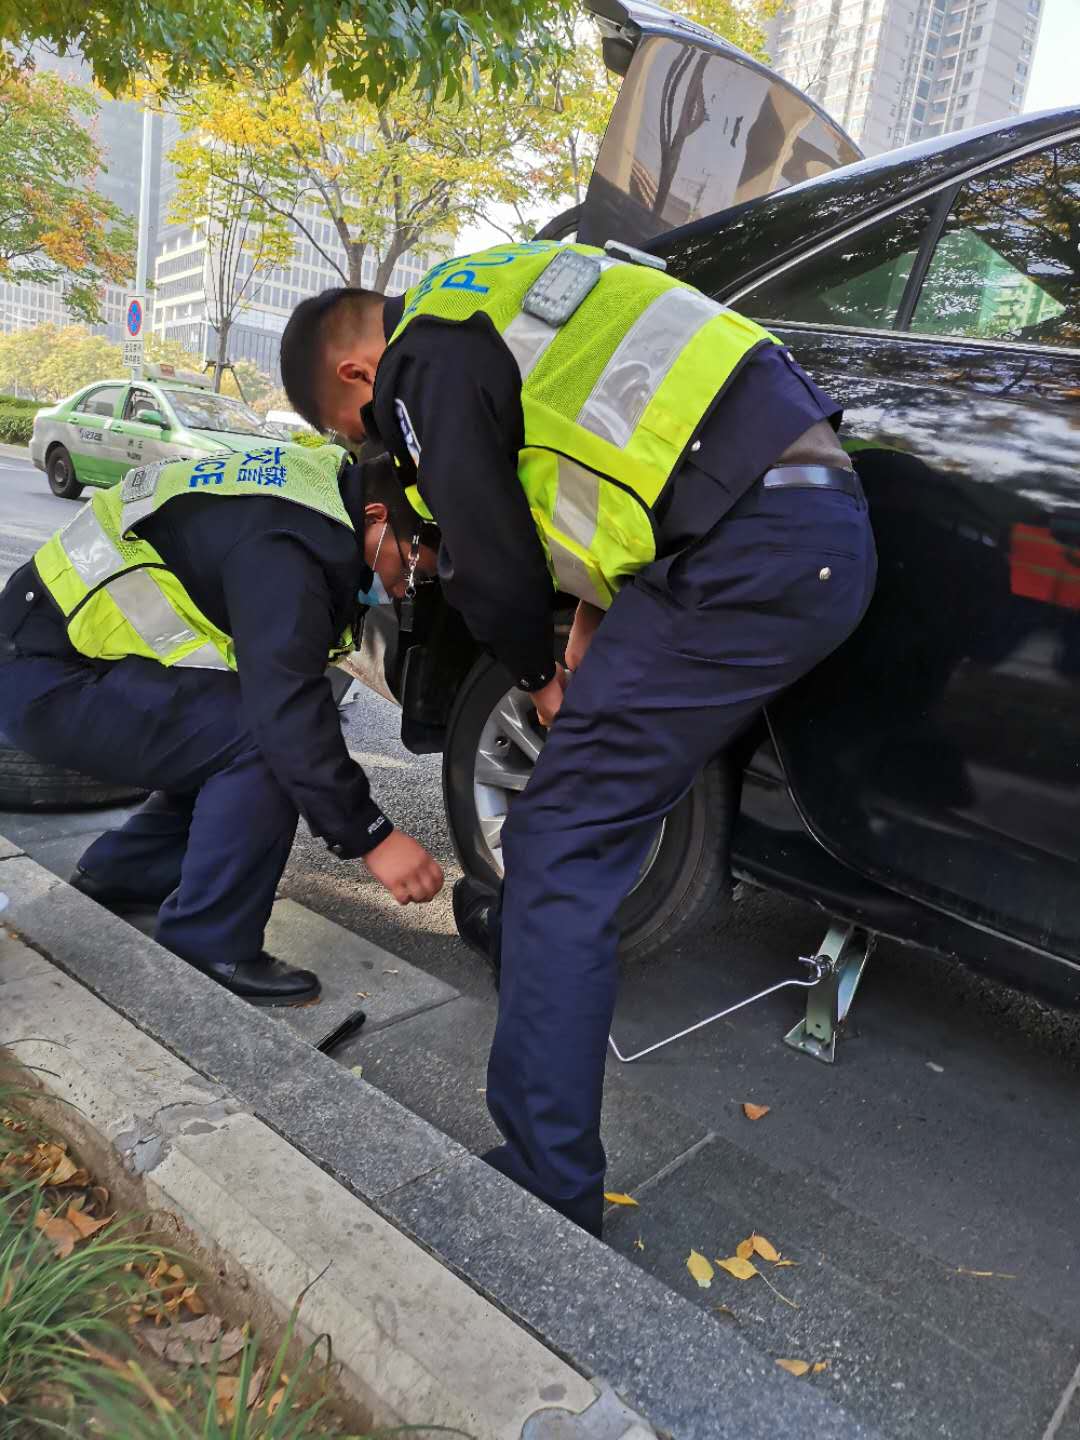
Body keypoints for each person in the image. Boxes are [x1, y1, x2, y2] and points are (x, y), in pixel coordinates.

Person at [279, 240, 877, 1233]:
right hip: (774, 528)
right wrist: (589, 648)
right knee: (567, 833)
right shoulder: (504, 298)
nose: (385, 451)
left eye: (362, 431)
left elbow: (489, 554)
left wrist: (534, 673)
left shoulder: (425, 350)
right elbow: (619, 500)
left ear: (358, 374)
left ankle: (548, 1181)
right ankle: (523, 948)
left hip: (754, 545)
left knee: (558, 837)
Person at [0, 442, 444, 1004]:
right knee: (263, 737)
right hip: (47, 675)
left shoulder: (313, 499)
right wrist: (372, 836)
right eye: (408, 566)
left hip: (53, 652)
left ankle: (126, 872)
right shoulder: (286, 548)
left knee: (229, 723)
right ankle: (208, 939)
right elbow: (286, 714)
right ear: (377, 517)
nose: (404, 589)